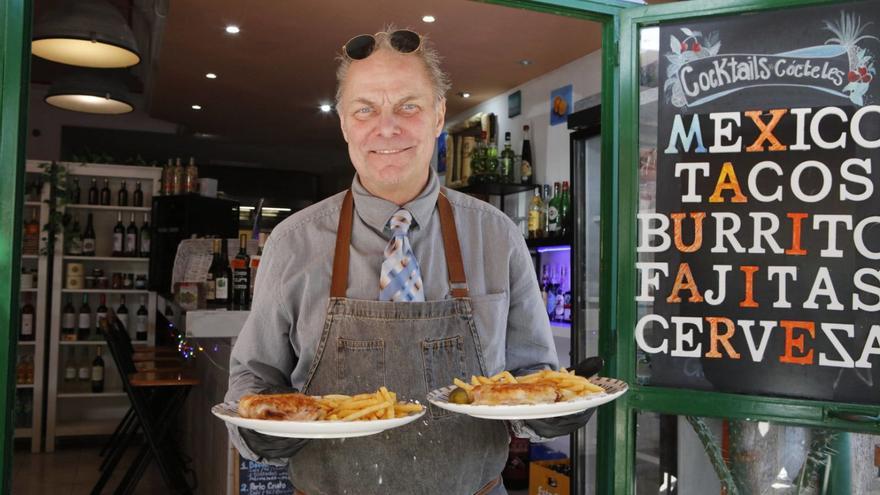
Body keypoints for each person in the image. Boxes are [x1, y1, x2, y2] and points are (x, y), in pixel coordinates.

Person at [225, 27, 596, 495]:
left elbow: (530, 374)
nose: (387, 127)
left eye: (408, 106)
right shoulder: (292, 242)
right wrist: (260, 429)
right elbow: (255, 376)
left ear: (439, 115)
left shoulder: (496, 235)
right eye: (365, 109)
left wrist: (556, 408)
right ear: (343, 122)